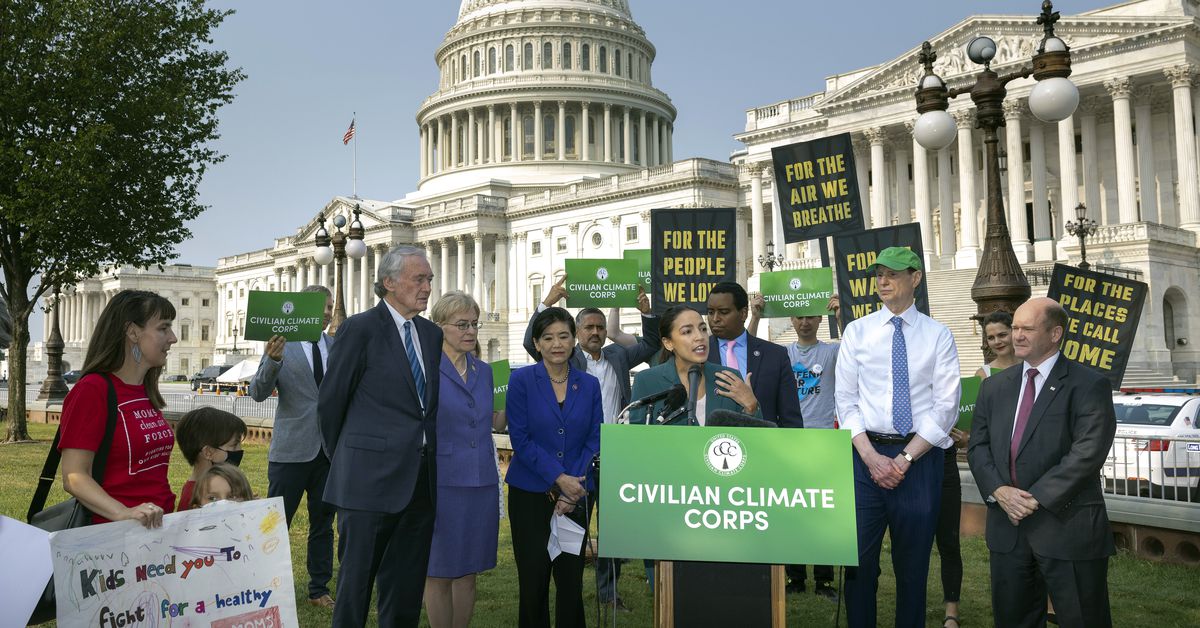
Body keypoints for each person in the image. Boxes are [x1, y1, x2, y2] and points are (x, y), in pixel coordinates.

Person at [968, 297, 1116, 628]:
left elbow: (1088, 452)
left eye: (1027, 329)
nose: (1017, 335)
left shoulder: (1089, 384)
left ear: (1055, 334)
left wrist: (1033, 498)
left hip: (1068, 529)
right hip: (1008, 530)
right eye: (1015, 327)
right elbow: (978, 447)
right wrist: (999, 491)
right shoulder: (994, 387)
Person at [834, 247, 960, 628]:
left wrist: (905, 459)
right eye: (878, 275)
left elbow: (946, 406)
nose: (883, 281)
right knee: (859, 564)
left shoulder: (938, 335)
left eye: (892, 273)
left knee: (913, 565)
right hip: (864, 458)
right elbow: (845, 400)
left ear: (915, 278)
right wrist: (872, 458)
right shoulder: (857, 331)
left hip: (920, 462)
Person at [318, 245, 442, 628]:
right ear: (389, 282)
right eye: (418, 279)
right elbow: (331, 404)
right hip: (366, 484)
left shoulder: (431, 334)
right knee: (355, 589)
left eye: (429, 280)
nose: (426, 287)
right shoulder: (360, 328)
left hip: (419, 483)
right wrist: (350, 461)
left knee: (405, 590)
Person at [524, 275, 660, 610]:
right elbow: (531, 343)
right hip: (579, 461)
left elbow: (652, 344)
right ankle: (568, 587)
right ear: (576, 334)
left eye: (600, 327)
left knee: (613, 529)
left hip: (616, 455)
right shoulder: (569, 359)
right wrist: (547, 303)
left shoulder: (617, 356)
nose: (596, 332)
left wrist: (646, 312)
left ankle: (608, 593)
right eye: (589, 327)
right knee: (574, 526)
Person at [506, 306, 602, 628]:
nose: (556, 344)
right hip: (530, 494)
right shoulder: (520, 381)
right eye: (548, 337)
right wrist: (559, 478)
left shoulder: (589, 385)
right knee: (533, 582)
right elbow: (520, 439)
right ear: (536, 343)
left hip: (576, 496)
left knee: (570, 582)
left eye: (563, 336)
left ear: (574, 341)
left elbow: (595, 438)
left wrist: (572, 487)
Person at [248, 284, 339, 609]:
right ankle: (263, 586)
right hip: (291, 451)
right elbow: (256, 392)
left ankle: (319, 589)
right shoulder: (280, 345)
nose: (327, 312)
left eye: (329, 306)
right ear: (303, 309)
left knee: (323, 524)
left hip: (328, 453)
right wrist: (272, 361)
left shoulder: (336, 345)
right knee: (277, 524)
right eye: (321, 306)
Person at [59, 290, 178, 528]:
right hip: (115, 534)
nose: (173, 337)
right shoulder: (92, 389)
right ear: (133, 332)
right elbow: (74, 476)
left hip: (159, 530)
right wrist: (123, 513)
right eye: (163, 328)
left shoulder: (145, 391)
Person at [424, 291, 500, 628]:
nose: (470, 331)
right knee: (438, 571)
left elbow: (493, 424)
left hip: (481, 481)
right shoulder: (425, 369)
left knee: (469, 571)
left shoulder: (486, 372)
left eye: (474, 324)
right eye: (462, 325)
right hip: (442, 481)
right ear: (440, 327)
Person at [784, 313, 839, 600]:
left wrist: (839, 316)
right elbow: (752, 350)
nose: (804, 323)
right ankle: (795, 577)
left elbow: (854, 349)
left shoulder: (831, 351)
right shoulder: (785, 353)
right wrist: (754, 317)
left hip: (823, 440)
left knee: (822, 512)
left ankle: (823, 580)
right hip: (792, 439)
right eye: (798, 318)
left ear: (819, 319)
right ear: (791, 320)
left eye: (810, 317)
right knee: (793, 511)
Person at [629, 305, 760, 425]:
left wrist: (751, 408)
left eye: (703, 329)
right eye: (687, 332)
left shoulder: (728, 378)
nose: (700, 336)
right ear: (668, 343)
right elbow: (636, 439)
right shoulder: (646, 381)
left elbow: (755, 441)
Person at [705, 281, 803, 427]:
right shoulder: (698, 354)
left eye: (723, 312)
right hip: (709, 445)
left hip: (762, 445)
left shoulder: (775, 355)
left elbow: (790, 420)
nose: (715, 319)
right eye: (711, 312)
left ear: (743, 313)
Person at [173, 407, 247, 511]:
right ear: (208, 452)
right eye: (234, 445)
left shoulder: (205, 489)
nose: (239, 450)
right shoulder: (195, 497)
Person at [976, 310, 1019, 379]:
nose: (997, 342)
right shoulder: (982, 374)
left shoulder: (1031, 364)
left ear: (1013, 332)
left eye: (1002, 335)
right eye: (991, 338)